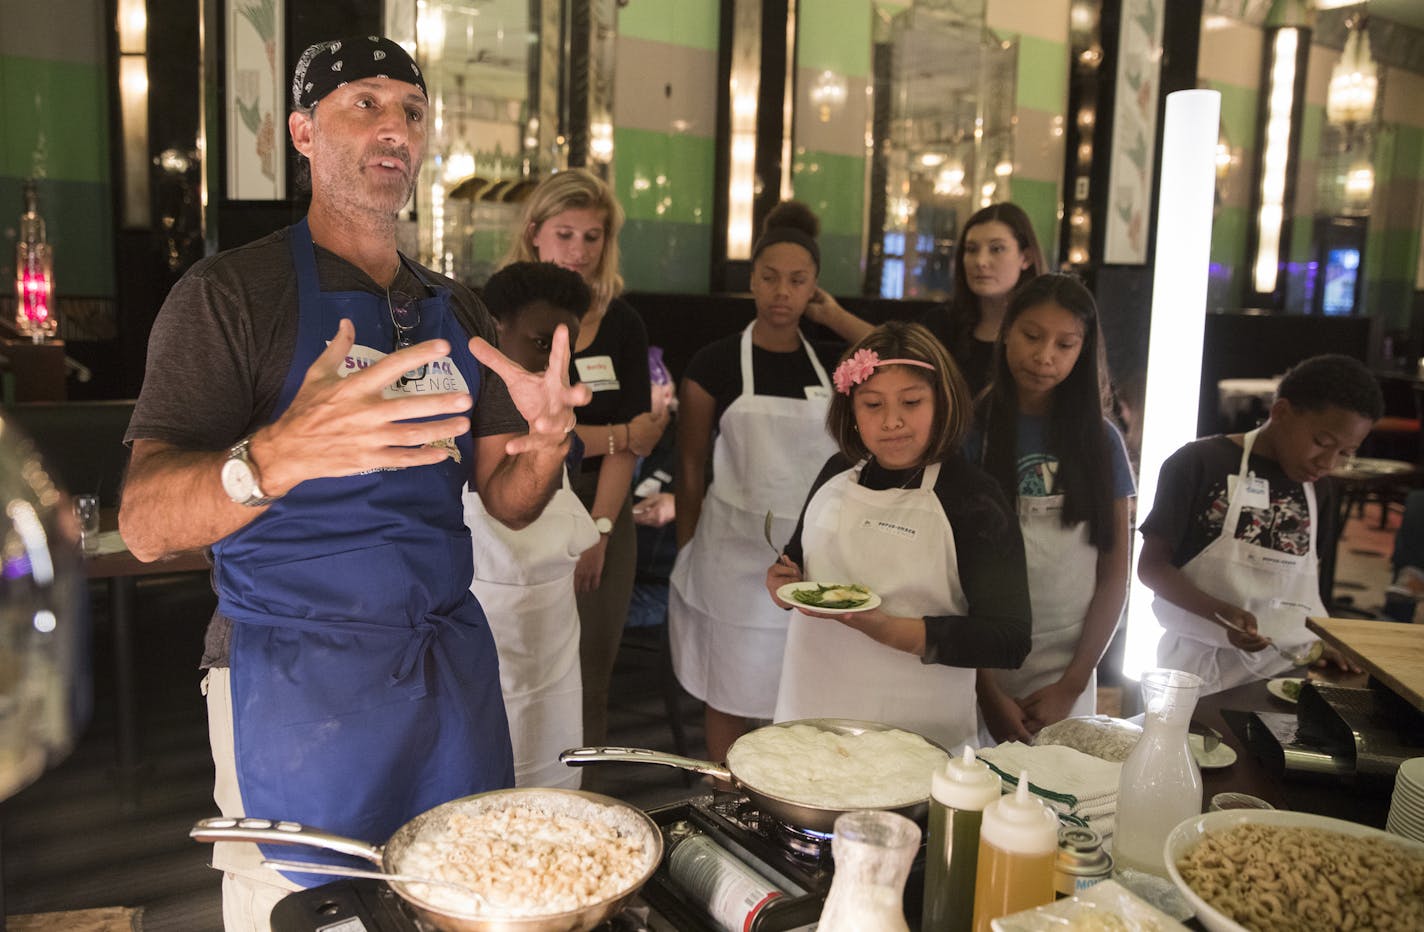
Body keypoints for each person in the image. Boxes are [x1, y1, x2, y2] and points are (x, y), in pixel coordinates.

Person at [118, 37, 587, 930]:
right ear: (301, 131)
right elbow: (144, 522)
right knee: (304, 907)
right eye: (362, 104)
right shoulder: (231, 297)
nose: (394, 128)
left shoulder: (457, 310)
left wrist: (547, 447)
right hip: (298, 679)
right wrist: (280, 452)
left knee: (462, 890)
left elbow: (508, 500)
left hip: (445, 668)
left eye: (410, 110)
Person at [766, 321, 1032, 750]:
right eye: (872, 405)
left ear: (941, 403)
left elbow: (1009, 639)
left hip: (919, 735)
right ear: (850, 409)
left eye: (911, 402)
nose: (892, 421)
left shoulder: (973, 497)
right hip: (809, 714)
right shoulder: (836, 474)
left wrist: (890, 630)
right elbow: (796, 563)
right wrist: (780, 580)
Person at [670, 202, 843, 762]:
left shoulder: (836, 369)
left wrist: (836, 318)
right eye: (769, 277)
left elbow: (896, 348)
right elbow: (691, 464)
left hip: (807, 558)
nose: (781, 292)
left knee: (797, 694)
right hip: (729, 557)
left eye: (797, 281)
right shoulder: (714, 363)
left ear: (815, 288)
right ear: (752, 280)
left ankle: (780, 803)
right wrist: (690, 545)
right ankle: (725, 800)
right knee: (728, 687)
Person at [500, 169, 666, 746]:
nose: (579, 251)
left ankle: (581, 808)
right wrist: (616, 433)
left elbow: (637, 443)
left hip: (604, 511)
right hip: (514, 503)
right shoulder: (502, 310)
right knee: (508, 673)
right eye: (565, 234)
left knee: (588, 677)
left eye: (592, 237)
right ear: (535, 232)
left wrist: (599, 529)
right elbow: (520, 431)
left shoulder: (623, 322)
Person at [1138, 354, 1382, 695]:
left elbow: (1302, 590)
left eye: (1346, 453)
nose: (1327, 462)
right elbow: (1152, 568)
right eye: (1322, 443)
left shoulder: (1319, 490)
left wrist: (1317, 641)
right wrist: (1220, 613)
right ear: (1280, 412)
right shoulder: (1198, 463)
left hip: (1288, 675)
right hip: (1195, 673)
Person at [966, 275, 1135, 742]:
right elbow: (951, 574)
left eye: (1065, 344)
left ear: (1084, 351)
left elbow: (1114, 572)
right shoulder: (972, 433)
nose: (1045, 357)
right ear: (1006, 332)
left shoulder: (1103, 443)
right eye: (1032, 336)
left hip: (1068, 669)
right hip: (980, 665)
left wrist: (1073, 683)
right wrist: (987, 691)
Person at [463, 261, 600, 789]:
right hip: (486, 630)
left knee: (554, 770)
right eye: (541, 343)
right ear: (497, 329)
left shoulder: (559, 418)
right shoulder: (463, 412)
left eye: (567, 350)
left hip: (553, 636)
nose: (555, 365)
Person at [802, 202, 1048, 395]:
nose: (980, 262)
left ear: (1025, 257)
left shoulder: (1047, 327)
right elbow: (894, 348)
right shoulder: (946, 322)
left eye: (997, 249)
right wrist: (832, 315)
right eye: (971, 250)